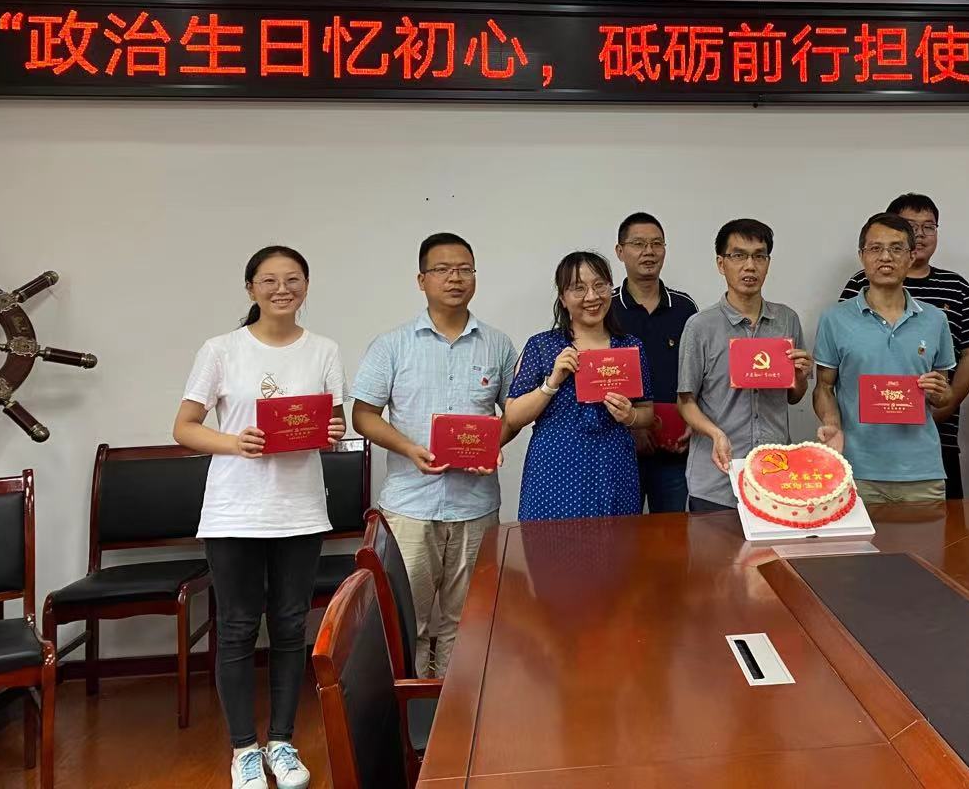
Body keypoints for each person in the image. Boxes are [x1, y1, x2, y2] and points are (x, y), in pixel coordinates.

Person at [173, 246, 346, 789]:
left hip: (299, 509)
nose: (281, 289)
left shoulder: (324, 349)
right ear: (250, 288)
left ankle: (283, 742)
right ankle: (244, 749)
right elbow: (184, 427)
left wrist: (334, 433)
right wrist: (234, 442)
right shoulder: (221, 349)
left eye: (292, 279)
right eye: (269, 280)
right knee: (238, 628)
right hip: (235, 510)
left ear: (306, 286)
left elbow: (334, 424)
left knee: (292, 625)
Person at [350, 233, 517, 678]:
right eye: (442, 270)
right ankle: (414, 705)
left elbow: (514, 413)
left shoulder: (498, 344)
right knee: (410, 621)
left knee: (469, 621)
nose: (454, 278)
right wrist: (409, 448)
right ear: (421, 280)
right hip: (411, 506)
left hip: (476, 505)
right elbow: (362, 415)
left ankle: (455, 706)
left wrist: (493, 445)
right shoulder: (392, 345)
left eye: (464, 269)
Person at [840, 192, 969, 499]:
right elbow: (844, 349)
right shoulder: (860, 284)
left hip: (935, 435)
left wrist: (945, 404)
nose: (920, 234)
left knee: (940, 524)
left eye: (928, 227)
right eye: (910, 226)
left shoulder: (956, 286)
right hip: (866, 442)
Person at [814, 214, 957, 504]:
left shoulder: (935, 319)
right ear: (862, 256)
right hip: (856, 470)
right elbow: (824, 387)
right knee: (858, 538)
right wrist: (832, 423)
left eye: (896, 248)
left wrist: (942, 393)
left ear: (911, 256)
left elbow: (944, 394)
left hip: (922, 472)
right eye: (875, 248)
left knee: (928, 537)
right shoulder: (834, 319)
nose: (886, 257)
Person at [677, 218, 815, 512]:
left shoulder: (786, 320)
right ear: (721, 263)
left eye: (759, 256)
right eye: (738, 255)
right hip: (716, 479)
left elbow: (793, 397)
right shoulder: (700, 326)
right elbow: (686, 401)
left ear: (768, 263)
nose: (750, 266)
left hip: (774, 476)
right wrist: (715, 434)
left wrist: (801, 376)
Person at [504, 252, 653, 520]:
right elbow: (514, 416)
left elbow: (647, 413)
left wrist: (630, 415)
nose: (592, 296)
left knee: (616, 543)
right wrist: (552, 382)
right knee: (551, 543)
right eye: (578, 288)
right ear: (563, 298)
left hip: (613, 467)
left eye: (599, 285)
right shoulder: (542, 346)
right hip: (554, 469)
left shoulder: (630, 347)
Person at [612, 212, 698, 513]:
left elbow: (698, 373)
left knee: (672, 534)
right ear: (620, 251)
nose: (648, 252)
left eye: (656, 244)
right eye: (638, 244)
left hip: (675, 449)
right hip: (620, 447)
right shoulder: (606, 308)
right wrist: (634, 425)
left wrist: (694, 422)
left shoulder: (685, 307)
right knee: (621, 535)